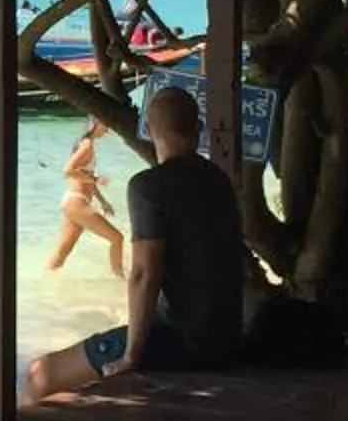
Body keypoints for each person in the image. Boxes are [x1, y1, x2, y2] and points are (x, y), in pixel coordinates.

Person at [25, 85, 246, 397]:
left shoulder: (148, 187)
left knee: (38, 375)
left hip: (180, 343)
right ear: (198, 129)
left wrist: (130, 356)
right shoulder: (218, 180)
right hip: (225, 339)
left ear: (147, 130)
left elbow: (144, 275)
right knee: (78, 386)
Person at [44, 118, 126, 277]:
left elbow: (84, 176)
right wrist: (96, 179)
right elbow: (67, 170)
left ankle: (41, 288)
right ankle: (120, 281)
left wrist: (103, 201)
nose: (107, 131)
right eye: (106, 125)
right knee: (117, 239)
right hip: (77, 202)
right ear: (95, 123)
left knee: (60, 257)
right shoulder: (87, 145)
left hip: (73, 202)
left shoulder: (85, 143)